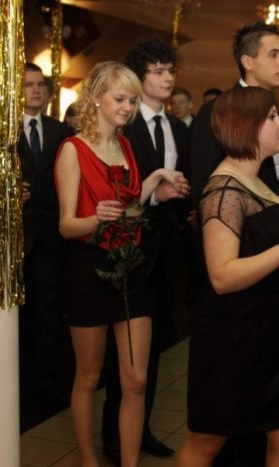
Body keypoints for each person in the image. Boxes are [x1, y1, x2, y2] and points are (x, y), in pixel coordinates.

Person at [54, 60, 189, 467]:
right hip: (88, 271)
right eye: (120, 99)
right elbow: (66, 225)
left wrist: (157, 183)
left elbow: (129, 204)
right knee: (89, 376)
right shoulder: (73, 149)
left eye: (132, 100)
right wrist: (96, 218)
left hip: (131, 269)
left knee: (137, 380)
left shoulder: (127, 146)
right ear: (96, 98)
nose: (128, 107)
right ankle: (89, 459)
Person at [177, 86, 279, 467]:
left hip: (270, 328)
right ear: (246, 126)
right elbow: (222, 275)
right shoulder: (223, 190)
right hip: (235, 336)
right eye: (271, 117)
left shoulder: (253, 180)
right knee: (207, 441)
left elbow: (258, 226)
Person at [98, 37, 189, 463]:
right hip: (129, 249)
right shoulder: (125, 126)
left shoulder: (178, 128)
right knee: (123, 354)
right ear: (138, 77)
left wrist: (182, 194)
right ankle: (113, 437)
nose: (167, 78)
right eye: (157, 71)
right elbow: (118, 190)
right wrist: (155, 195)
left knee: (153, 351)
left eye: (170, 70)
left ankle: (141, 429)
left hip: (166, 252)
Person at [190, 21, 279, 202]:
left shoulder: (278, 116)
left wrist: (278, 205)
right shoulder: (217, 110)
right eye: (274, 55)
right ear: (247, 62)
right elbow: (204, 188)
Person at [18, 62, 73, 408]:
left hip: (52, 232)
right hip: (17, 232)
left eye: (40, 84)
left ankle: (47, 379)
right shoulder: (4, 130)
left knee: (48, 308)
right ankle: (17, 374)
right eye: (28, 85)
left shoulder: (60, 131)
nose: (36, 90)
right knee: (17, 311)